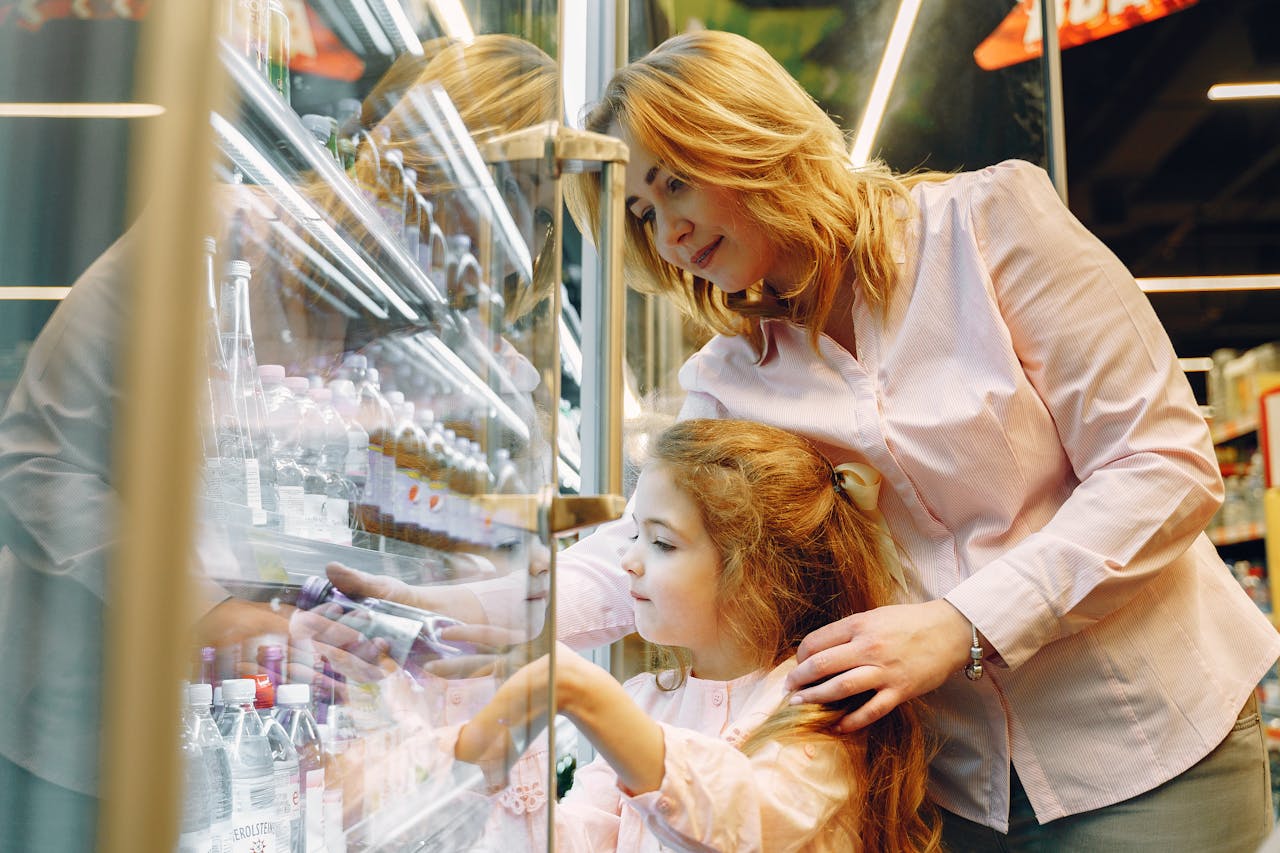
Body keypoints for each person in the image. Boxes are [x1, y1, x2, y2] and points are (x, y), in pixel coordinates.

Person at [540, 29, 1279, 850]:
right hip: (952, 786)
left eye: (675, 182)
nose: (668, 232)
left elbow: (1164, 463)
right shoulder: (731, 377)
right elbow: (635, 547)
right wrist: (464, 610)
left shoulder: (989, 226)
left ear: (744, 134)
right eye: (643, 212)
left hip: (1148, 742)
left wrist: (963, 624)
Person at [438, 418, 941, 852]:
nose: (628, 561)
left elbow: (742, 823)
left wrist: (583, 693)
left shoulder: (818, 705)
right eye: (635, 535)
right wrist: (509, 756)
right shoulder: (644, 702)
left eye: (661, 543)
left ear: (757, 573)